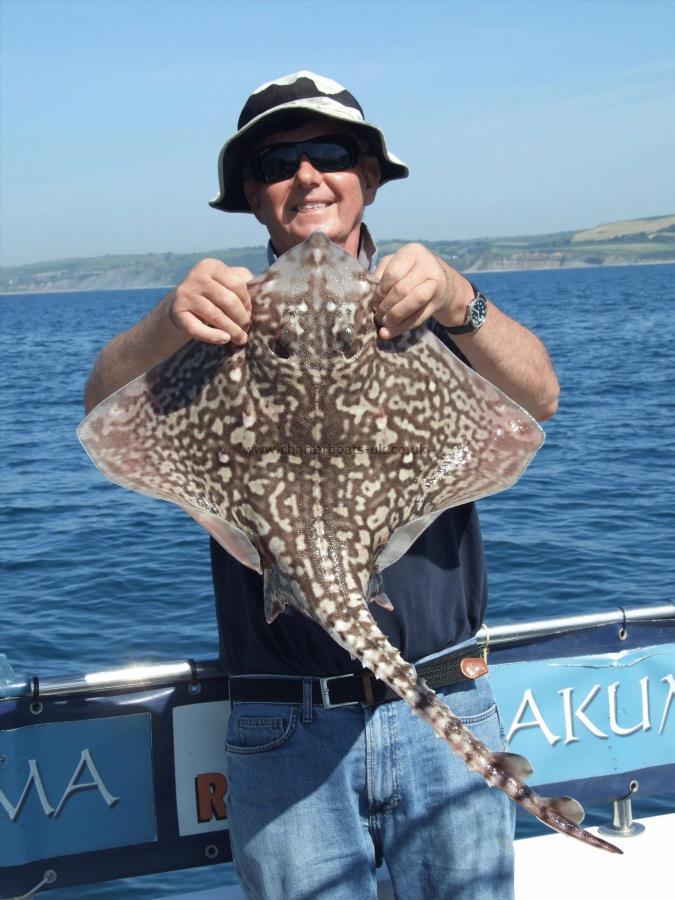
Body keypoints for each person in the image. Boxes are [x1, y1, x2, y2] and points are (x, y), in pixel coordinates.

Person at [84, 71, 559, 900]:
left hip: (440, 683)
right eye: (276, 161)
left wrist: (457, 300)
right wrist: (167, 322)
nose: (305, 175)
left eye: (330, 152)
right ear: (250, 196)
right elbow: (102, 416)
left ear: (368, 178)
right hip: (283, 721)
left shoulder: (427, 301)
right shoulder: (216, 321)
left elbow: (538, 401)